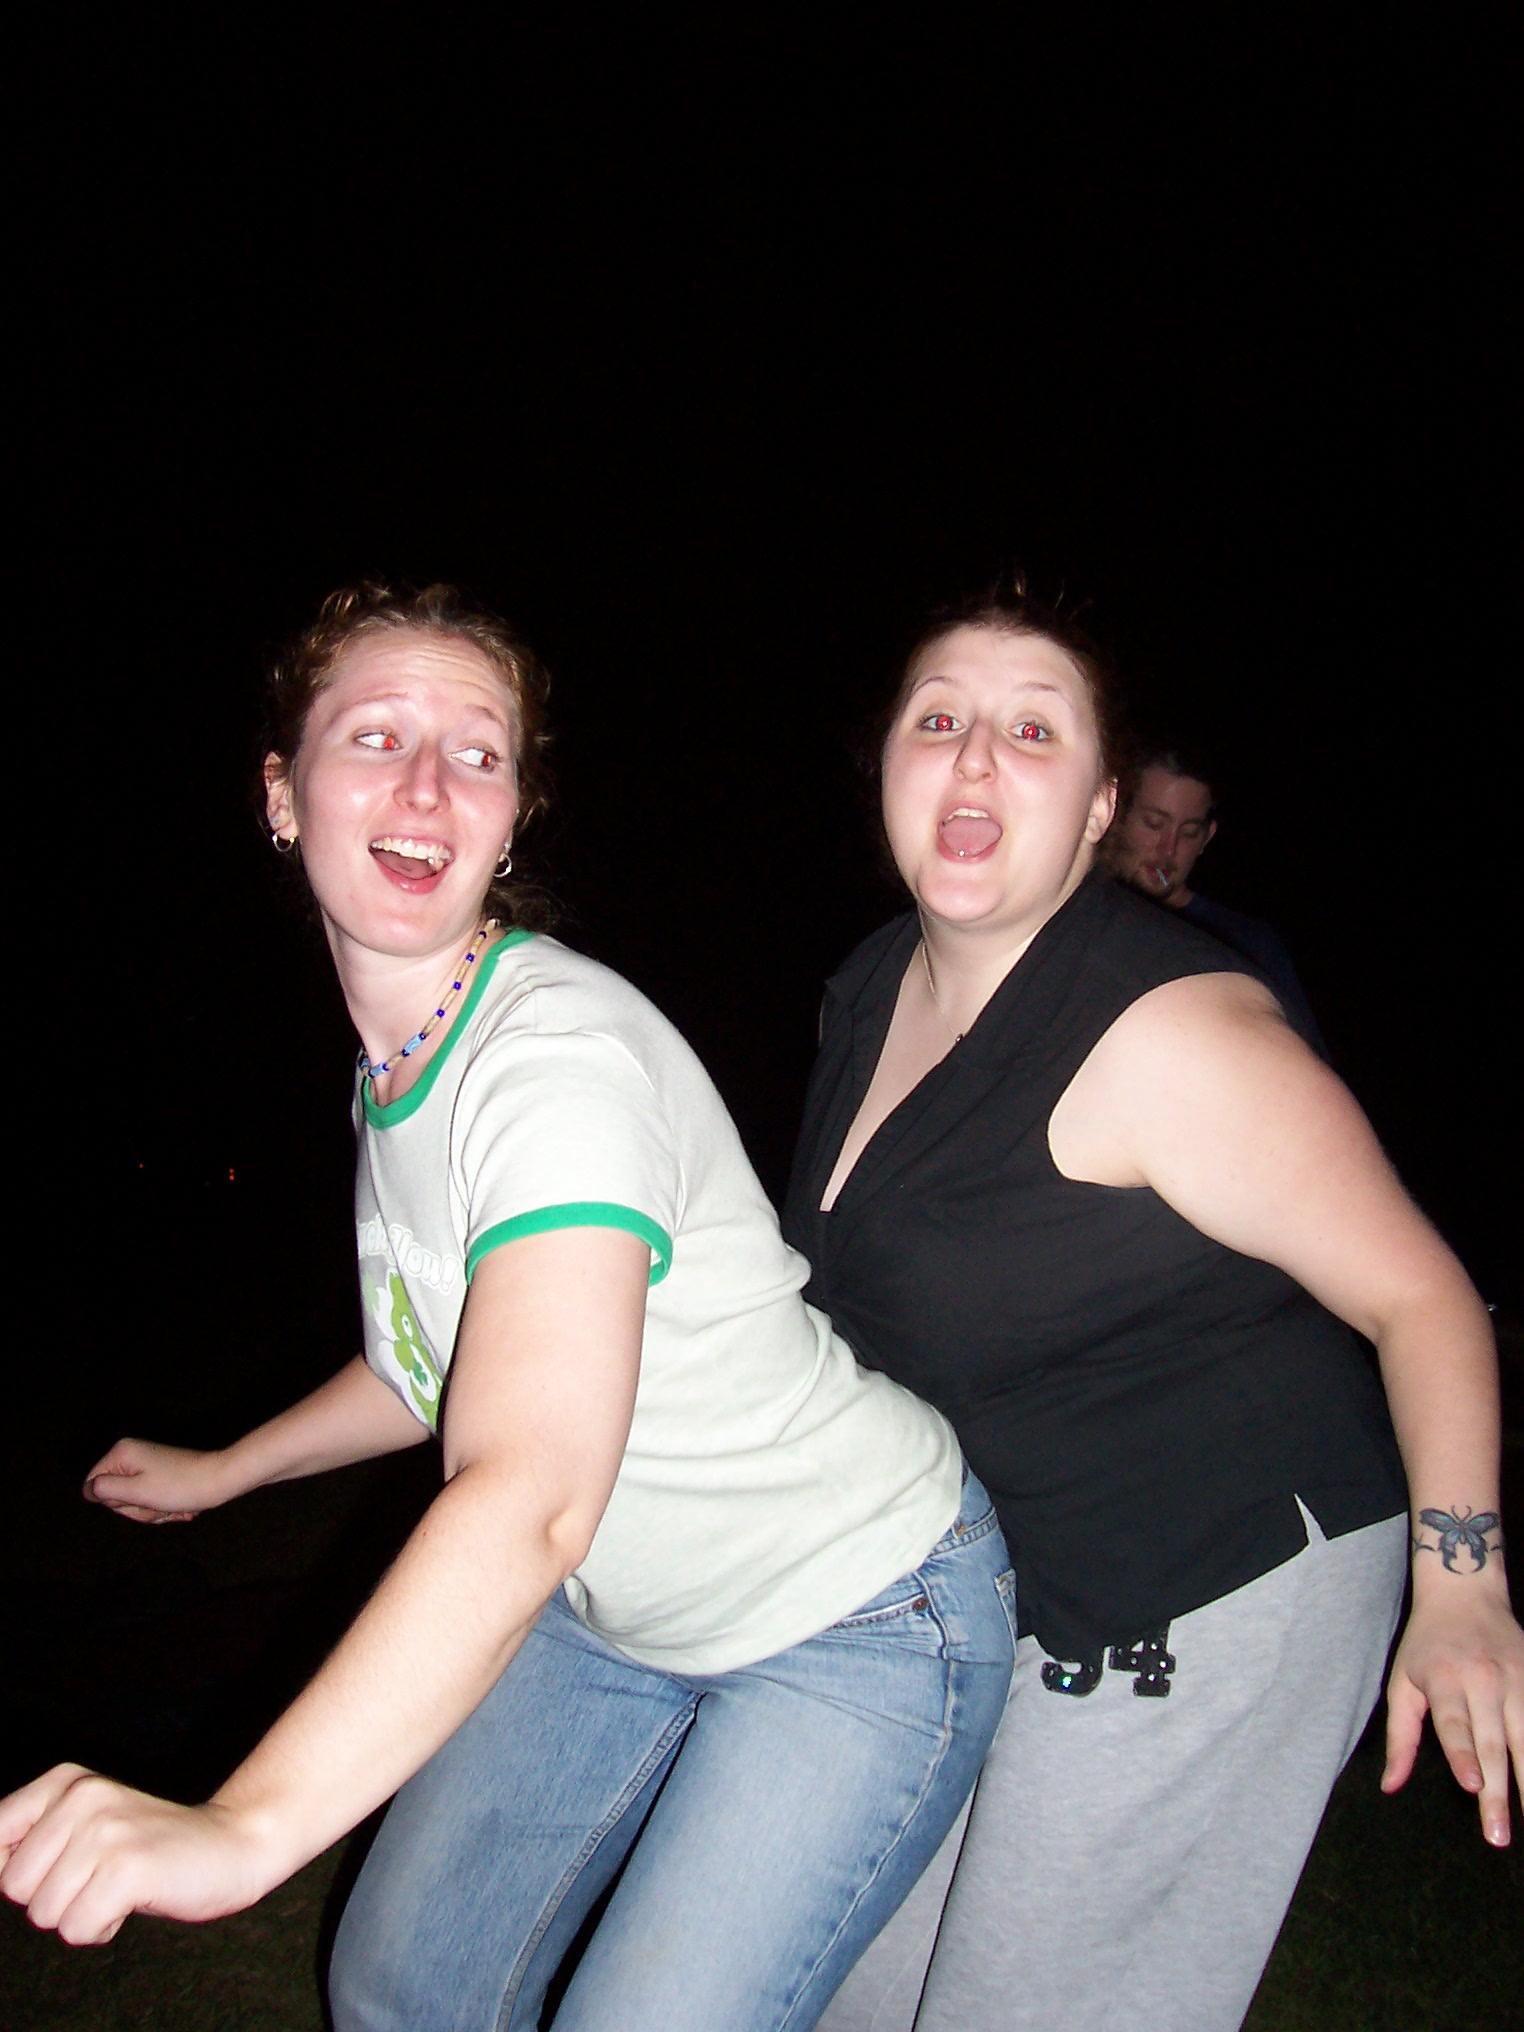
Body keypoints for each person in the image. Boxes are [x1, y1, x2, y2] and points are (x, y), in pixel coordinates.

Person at [0, 584, 1016, 2032]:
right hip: (616, 1604)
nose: (428, 783)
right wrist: (228, 1470)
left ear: (513, 816)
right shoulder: (402, 1062)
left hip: (857, 1603)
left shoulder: (553, 1061)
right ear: (282, 794)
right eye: (376, 735)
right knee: (404, 1985)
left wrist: (244, 1824)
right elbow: (427, 1364)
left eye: (477, 753)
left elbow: (530, 1487)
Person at [782, 587, 1523, 2032]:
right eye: (940, 719)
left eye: (1032, 731)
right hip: (1023, 1568)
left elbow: (1423, 1293)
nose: (976, 756)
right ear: (886, 766)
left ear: (1101, 807)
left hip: (1222, 1573)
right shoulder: (867, 992)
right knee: (851, 1981)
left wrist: (1464, 1587)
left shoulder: (1170, 1030)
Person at [1107, 744, 1325, 1050]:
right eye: (1154, 824)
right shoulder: (1083, 917)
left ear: (1206, 838)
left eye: (1188, 832)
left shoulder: (1247, 944)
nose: (1168, 849)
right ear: (1116, 815)